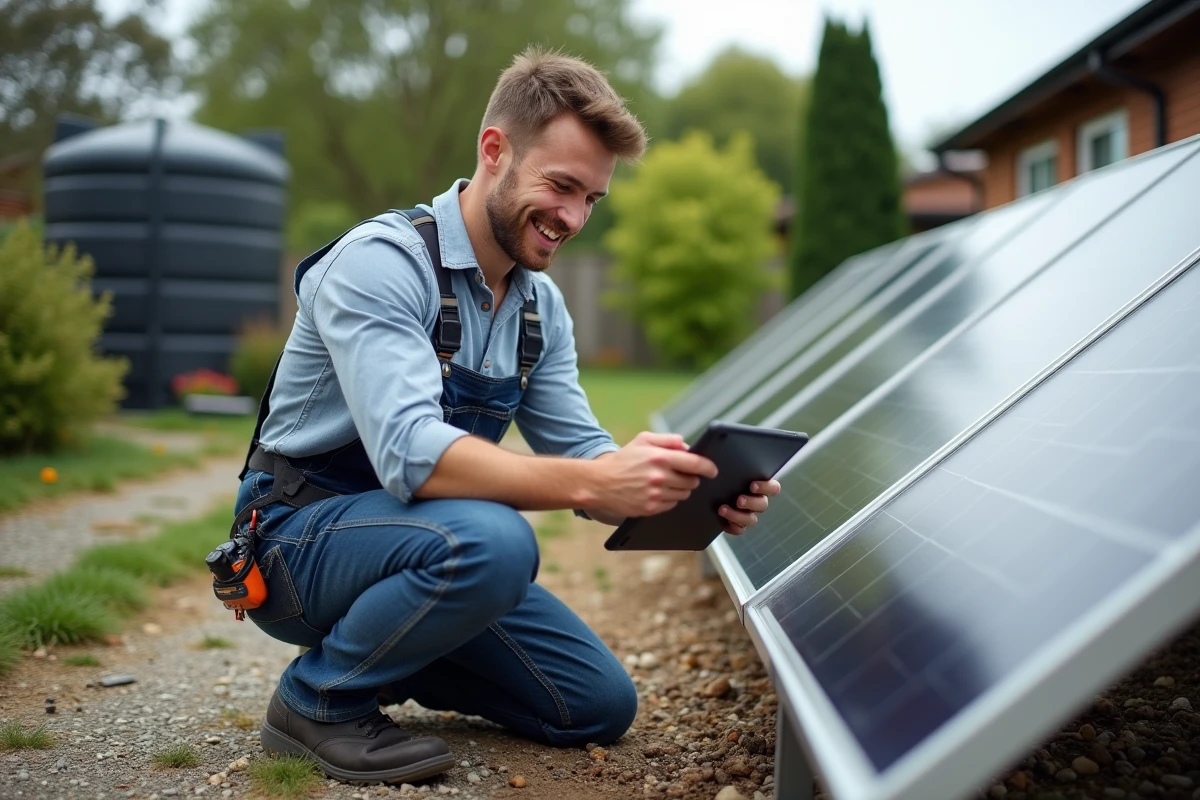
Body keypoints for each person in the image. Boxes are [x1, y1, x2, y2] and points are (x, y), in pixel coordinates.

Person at [232, 46, 782, 785]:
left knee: (594, 705)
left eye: (592, 198)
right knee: (497, 539)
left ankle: (388, 657)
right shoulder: (383, 262)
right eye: (561, 185)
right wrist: (590, 486)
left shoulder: (538, 307)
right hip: (296, 546)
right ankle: (316, 700)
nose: (574, 217)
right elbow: (409, 452)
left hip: (419, 545)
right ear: (495, 151)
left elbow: (582, 446)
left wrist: (675, 483)